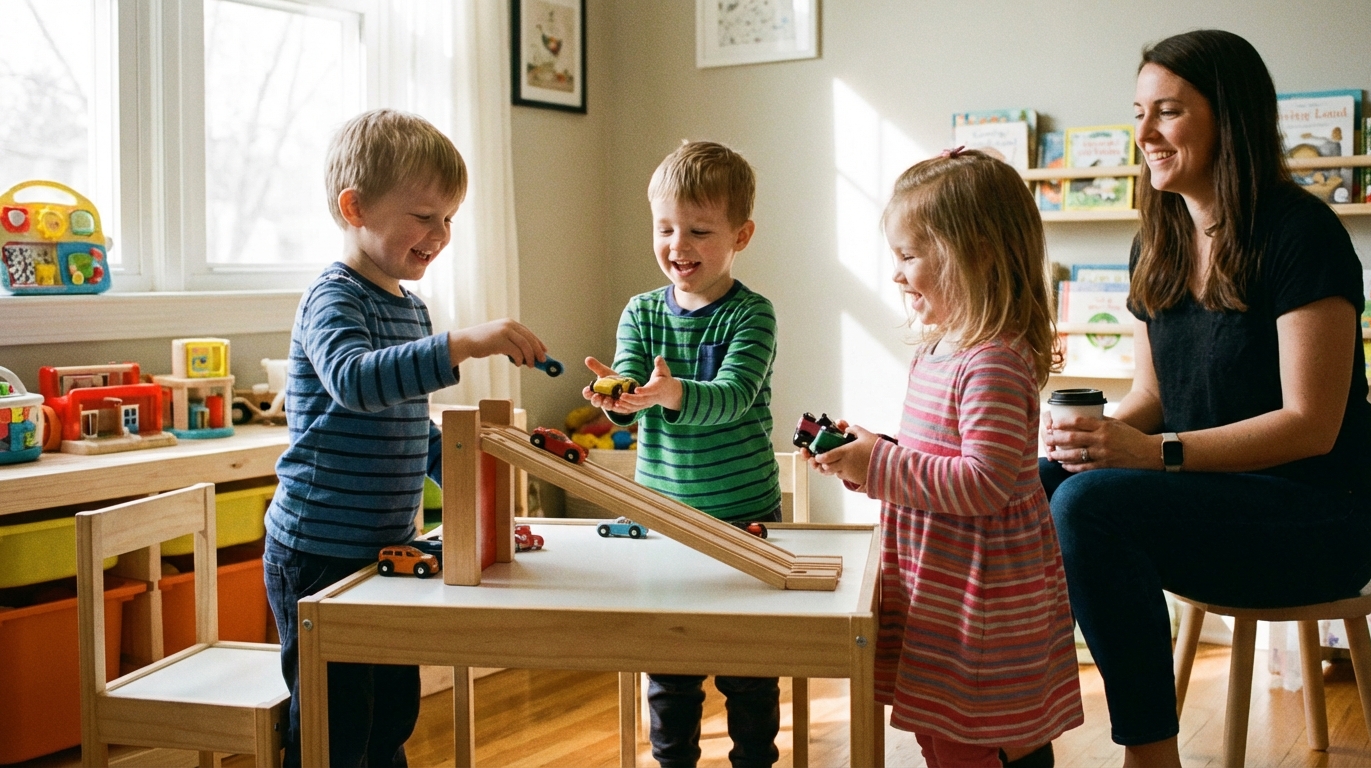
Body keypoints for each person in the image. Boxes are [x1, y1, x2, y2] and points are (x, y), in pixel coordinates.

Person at [1041, 30, 1371, 768]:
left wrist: (1153, 454)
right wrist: (1083, 439)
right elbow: (1149, 398)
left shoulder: (1301, 234)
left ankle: (1151, 754)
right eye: (1139, 112)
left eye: (1166, 112)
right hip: (1210, 503)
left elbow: (1312, 424)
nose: (1143, 134)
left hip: (1319, 517)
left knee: (1088, 506)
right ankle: (1012, 716)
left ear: (1228, 117)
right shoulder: (1158, 239)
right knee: (1040, 480)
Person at [263, 108, 549, 767]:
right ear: (355, 206)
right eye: (424, 216)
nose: (441, 234)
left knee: (391, 714)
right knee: (336, 728)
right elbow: (357, 383)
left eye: (449, 218)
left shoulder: (408, 306)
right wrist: (463, 343)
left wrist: (469, 489)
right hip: (319, 551)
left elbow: (403, 424)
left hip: (382, 547)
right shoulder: (334, 299)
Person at [809, 149, 1083, 768]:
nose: (898, 276)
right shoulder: (937, 352)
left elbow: (983, 483)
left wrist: (879, 465)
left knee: (976, 736)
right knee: (939, 730)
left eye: (910, 257)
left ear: (976, 252)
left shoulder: (992, 363)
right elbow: (933, 462)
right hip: (939, 579)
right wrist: (867, 453)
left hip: (980, 595)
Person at [582, 140, 781, 767]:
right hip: (664, 517)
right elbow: (634, 388)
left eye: (699, 230)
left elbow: (733, 396)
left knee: (749, 666)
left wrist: (671, 394)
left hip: (742, 512)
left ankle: (754, 759)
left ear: (741, 235)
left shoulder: (752, 314)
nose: (678, 245)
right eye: (665, 228)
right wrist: (615, 398)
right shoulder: (641, 311)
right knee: (671, 667)